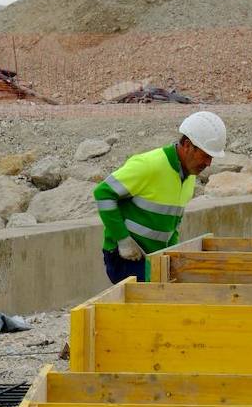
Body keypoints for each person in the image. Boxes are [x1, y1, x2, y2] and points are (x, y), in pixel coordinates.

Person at [94, 110, 227, 283]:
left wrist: (173, 256)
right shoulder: (150, 165)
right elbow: (103, 193)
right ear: (187, 145)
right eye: (206, 155)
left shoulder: (188, 178)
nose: (209, 163)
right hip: (126, 257)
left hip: (154, 257)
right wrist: (123, 239)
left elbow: (172, 224)